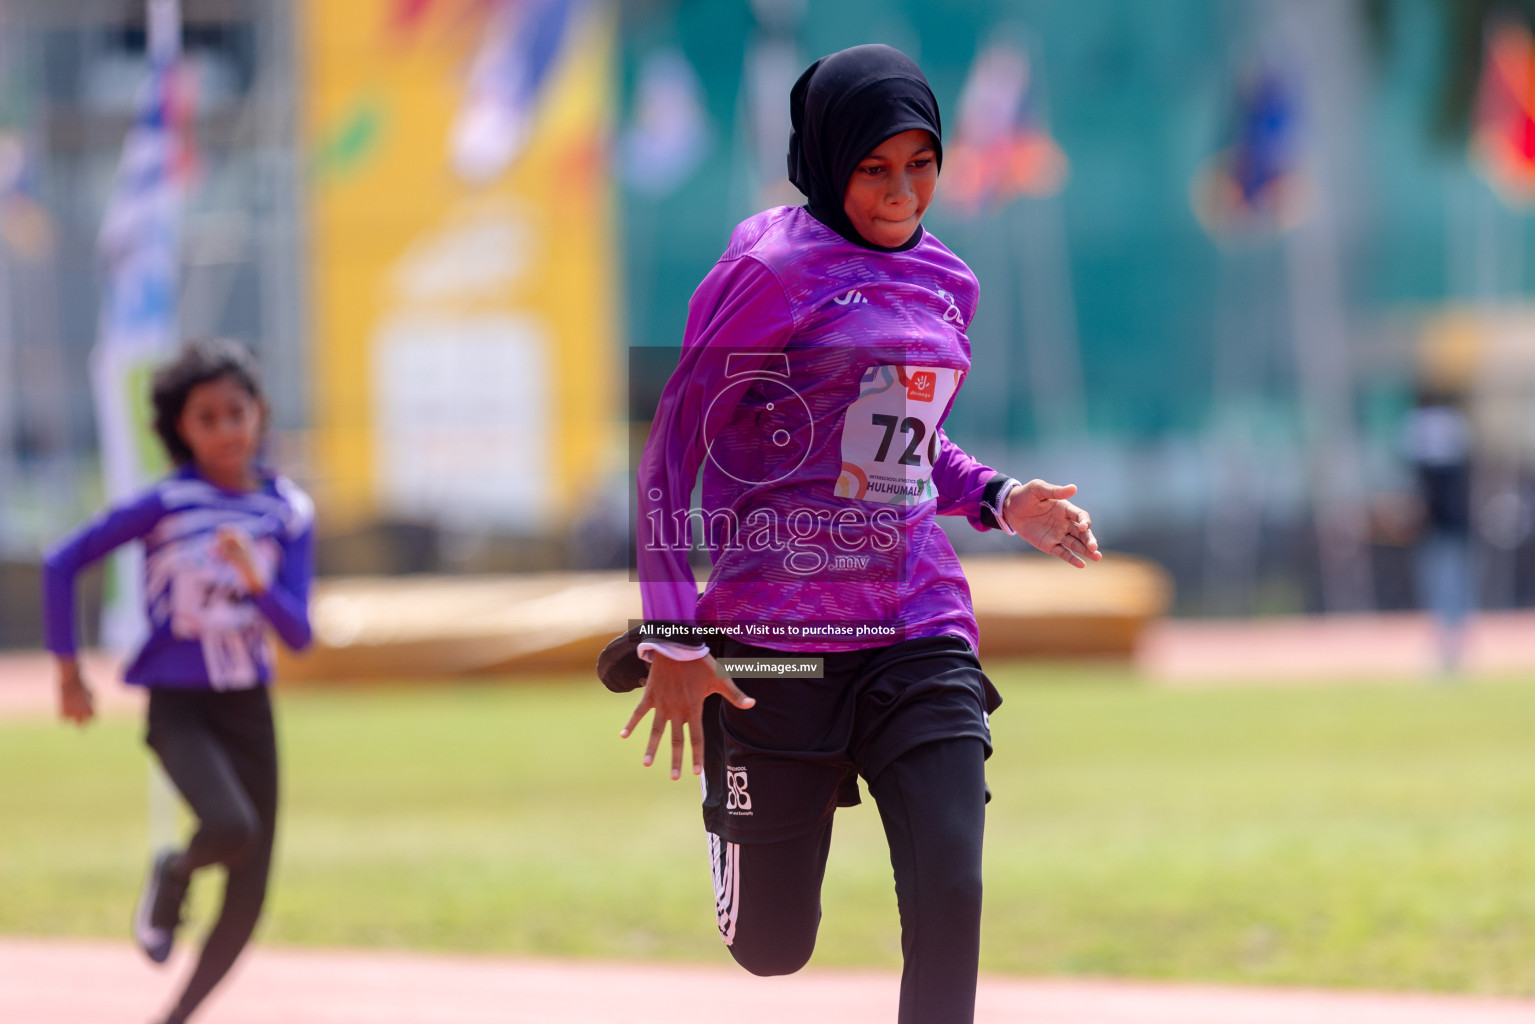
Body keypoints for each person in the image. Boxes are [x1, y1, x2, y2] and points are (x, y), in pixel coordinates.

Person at [621, 44, 1100, 1023]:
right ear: (826, 159)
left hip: (917, 624)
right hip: (778, 647)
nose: (900, 190)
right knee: (772, 947)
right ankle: (737, 801)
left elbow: (900, 443)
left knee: (951, 890)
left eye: (919, 163)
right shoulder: (765, 271)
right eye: (873, 168)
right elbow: (671, 453)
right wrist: (672, 633)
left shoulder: (946, 283)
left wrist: (1002, 498)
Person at [41, 337, 314, 1024]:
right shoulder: (165, 503)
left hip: (248, 703)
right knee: (228, 826)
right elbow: (59, 564)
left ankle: (175, 1017)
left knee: (250, 892)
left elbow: (300, 635)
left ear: (259, 413)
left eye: (236, 412)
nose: (226, 430)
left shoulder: (287, 511)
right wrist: (69, 672)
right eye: (206, 418)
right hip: (180, 703)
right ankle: (174, 871)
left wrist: (256, 582)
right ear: (179, 429)